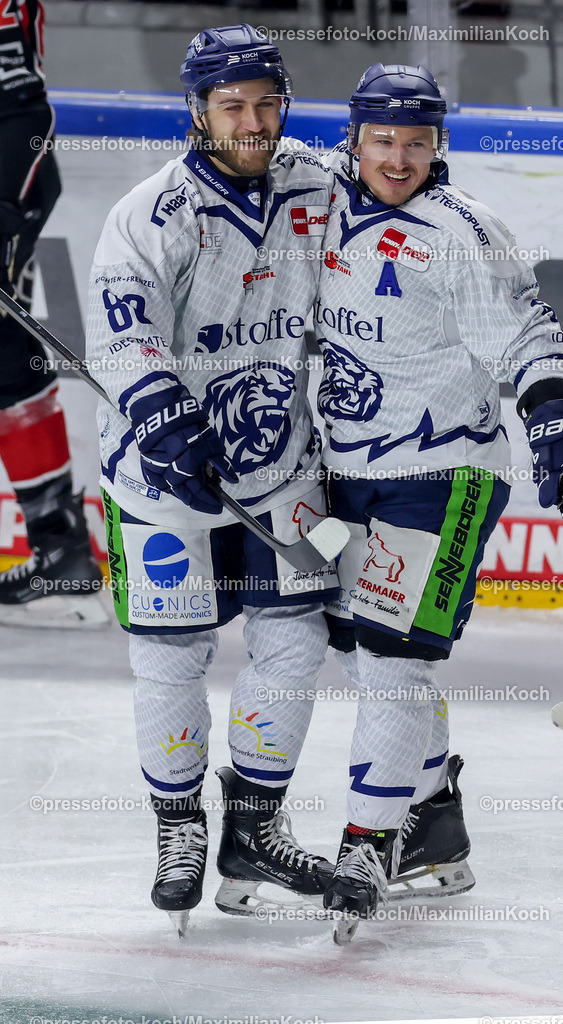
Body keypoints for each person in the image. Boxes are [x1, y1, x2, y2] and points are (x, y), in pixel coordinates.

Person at [315, 63, 563, 920]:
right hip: (343, 477)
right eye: (382, 140)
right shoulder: (315, 201)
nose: (397, 159)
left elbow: (528, 335)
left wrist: (557, 415)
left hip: (442, 480)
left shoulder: (464, 232)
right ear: (354, 139)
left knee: (395, 658)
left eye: (416, 141)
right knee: (358, 652)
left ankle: (366, 848)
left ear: (438, 144)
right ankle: (433, 820)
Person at [85, 24, 341, 934]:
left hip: (283, 466)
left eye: (268, 101)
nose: (254, 119)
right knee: (170, 652)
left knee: (295, 636)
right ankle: (178, 824)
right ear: (197, 110)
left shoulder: (319, 181)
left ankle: (255, 827)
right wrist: (161, 412)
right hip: (161, 473)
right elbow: (122, 331)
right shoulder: (150, 213)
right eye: (233, 104)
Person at [0, 0, 104, 628]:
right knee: (9, 358)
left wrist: (9, 215)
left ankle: (59, 540)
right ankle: (58, 541)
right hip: (14, 162)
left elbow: (23, 106)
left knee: (10, 355)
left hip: (10, 163)